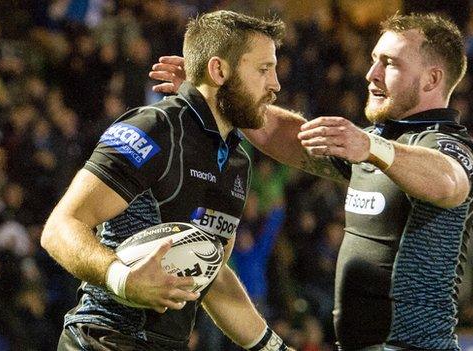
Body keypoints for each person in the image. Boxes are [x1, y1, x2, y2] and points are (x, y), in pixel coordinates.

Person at [151, 12, 473, 350]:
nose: (372, 74)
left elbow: (449, 182)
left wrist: (370, 146)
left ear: (431, 80)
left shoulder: (447, 144)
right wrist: (219, 92)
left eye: (390, 63)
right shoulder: (374, 145)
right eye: (373, 60)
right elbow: (282, 135)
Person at [41, 10, 293, 351]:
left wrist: (274, 348)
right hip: (105, 339)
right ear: (219, 70)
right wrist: (123, 279)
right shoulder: (153, 128)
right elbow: (60, 227)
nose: (275, 84)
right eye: (264, 69)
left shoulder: (237, 161)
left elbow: (212, 276)